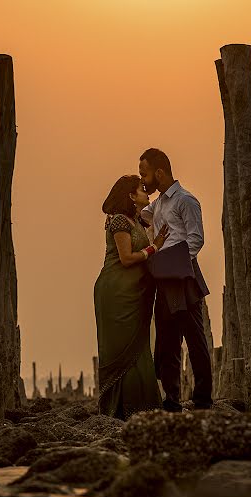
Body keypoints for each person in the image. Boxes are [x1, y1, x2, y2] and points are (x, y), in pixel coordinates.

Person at [139, 148, 213, 411]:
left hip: (182, 277)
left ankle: (203, 398)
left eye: (144, 174)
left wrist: (171, 264)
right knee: (167, 342)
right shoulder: (156, 205)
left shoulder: (186, 200)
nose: (143, 180)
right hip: (164, 278)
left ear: (159, 172)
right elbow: (138, 214)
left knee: (195, 340)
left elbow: (196, 239)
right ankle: (171, 399)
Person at [94, 175, 169, 419]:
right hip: (116, 293)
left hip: (135, 293)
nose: (147, 193)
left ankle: (143, 407)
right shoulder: (118, 221)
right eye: (141, 189)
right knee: (120, 349)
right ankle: (118, 410)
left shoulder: (137, 220)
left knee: (139, 347)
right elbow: (126, 258)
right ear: (130, 196)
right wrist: (154, 247)